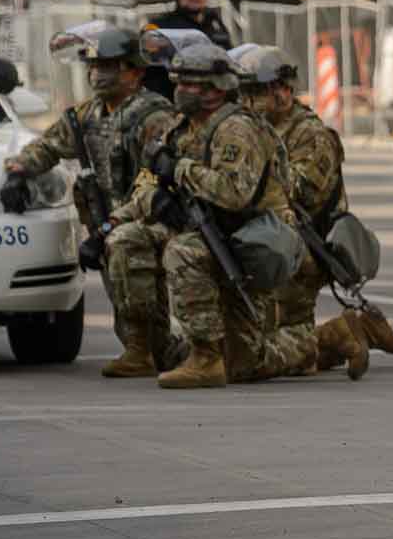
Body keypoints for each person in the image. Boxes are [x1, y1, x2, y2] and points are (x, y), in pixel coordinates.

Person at [111, 43, 286, 389]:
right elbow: (147, 177)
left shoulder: (236, 129)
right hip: (198, 227)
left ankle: (209, 357)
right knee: (126, 240)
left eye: (190, 84)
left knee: (247, 362)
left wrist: (180, 170)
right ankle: (145, 347)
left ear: (215, 89)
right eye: (179, 82)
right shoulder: (180, 127)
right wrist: (150, 203)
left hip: (242, 236)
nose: (180, 90)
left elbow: (234, 194)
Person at [5, 26, 176, 378]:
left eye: (110, 65)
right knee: (120, 274)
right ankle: (150, 347)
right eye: (94, 66)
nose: (98, 74)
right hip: (109, 221)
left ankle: (141, 349)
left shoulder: (153, 117)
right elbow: (49, 145)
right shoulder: (87, 116)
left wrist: (110, 226)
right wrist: (18, 170)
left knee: (125, 249)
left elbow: (154, 183)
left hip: (153, 215)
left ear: (136, 71)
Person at [232, 45, 393, 379]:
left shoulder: (311, 135)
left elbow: (299, 193)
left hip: (299, 252)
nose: (246, 102)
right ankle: (359, 332)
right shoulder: (255, 129)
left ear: (284, 91)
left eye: (255, 92)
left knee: (263, 358)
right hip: (268, 244)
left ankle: (345, 332)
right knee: (276, 348)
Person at [143, 0, 233, 99]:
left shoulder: (216, 26)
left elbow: (230, 62)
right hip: (172, 103)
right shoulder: (161, 27)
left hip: (213, 101)